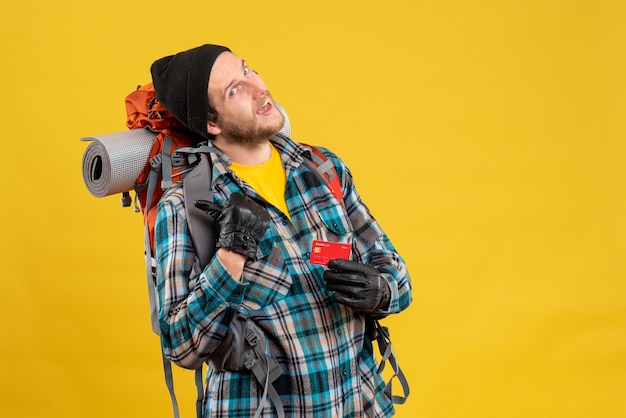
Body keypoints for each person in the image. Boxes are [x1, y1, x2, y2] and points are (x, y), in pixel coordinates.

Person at [150, 44, 412, 417]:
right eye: (234, 90)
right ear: (212, 123)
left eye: (248, 70)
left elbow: (397, 273)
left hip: (358, 405)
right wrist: (229, 257)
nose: (259, 88)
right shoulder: (185, 206)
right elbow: (181, 346)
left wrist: (381, 290)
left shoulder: (323, 168)